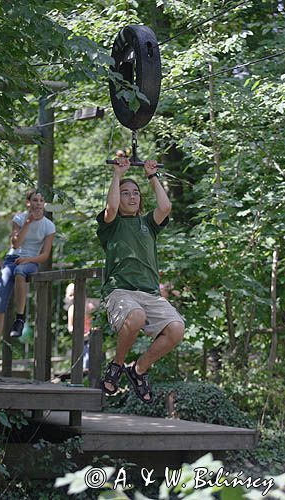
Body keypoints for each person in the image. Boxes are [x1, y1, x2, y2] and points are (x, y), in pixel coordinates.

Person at [96, 155, 185, 403]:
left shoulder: (148, 223)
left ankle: (138, 369)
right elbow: (111, 208)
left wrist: (151, 175)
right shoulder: (110, 225)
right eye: (125, 193)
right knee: (135, 317)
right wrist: (117, 175)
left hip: (149, 294)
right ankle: (116, 365)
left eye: (135, 193)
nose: (132, 197)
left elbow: (165, 208)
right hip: (120, 292)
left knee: (177, 329)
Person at [0, 189, 55, 369]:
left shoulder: (49, 226)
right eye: (35, 200)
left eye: (41, 200)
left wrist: (28, 260)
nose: (38, 203)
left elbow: (45, 255)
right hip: (11, 259)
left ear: (44, 204)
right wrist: (28, 223)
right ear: (28, 203)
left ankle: (20, 318)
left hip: (30, 261)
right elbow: (15, 244)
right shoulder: (19, 219)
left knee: (20, 272)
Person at [65, 282, 99, 371]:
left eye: (75, 294)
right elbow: (70, 327)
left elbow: (96, 323)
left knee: (89, 357)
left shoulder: (89, 306)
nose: (73, 297)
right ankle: (82, 375)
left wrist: (92, 331)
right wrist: (75, 332)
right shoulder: (71, 310)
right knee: (79, 357)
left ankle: (88, 374)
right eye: (70, 295)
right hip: (79, 338)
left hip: (91, 337)